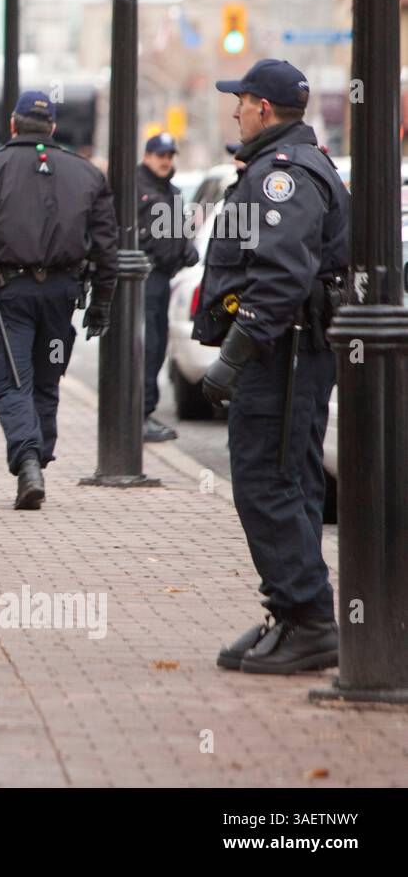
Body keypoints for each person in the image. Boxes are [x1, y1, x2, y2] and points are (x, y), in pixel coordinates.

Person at [196, 59, 347, 675]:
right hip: (290, 353)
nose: (235, 110)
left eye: (242, 101)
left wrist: (232, 359)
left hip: (280, 355)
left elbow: (281, 278)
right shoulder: (288, 165)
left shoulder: (283, 175)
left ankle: (310, 621)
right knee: (291, 480)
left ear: (263, 107)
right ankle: (292, 611)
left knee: (267, 481)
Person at [0, 90, 119, 510]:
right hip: (61, 295)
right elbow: (107, 246)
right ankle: (38, 454)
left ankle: (29, 459)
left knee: (13, 380)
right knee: (47, 377)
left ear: (13, 124)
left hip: (9, 294)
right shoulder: (87, 174)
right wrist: (102, 301)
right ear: (52, 127)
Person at [137, 131, 196, 442]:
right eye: (160, 155)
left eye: (170, 155)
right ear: (147, 156)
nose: (165, 160)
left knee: (157, 345)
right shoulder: (135, 185)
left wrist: (186, 249)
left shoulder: (171, 191)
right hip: (142, 276)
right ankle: (138, 415)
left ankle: (145, 412)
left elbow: (179, 230)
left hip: (163, 278)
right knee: (146, 345)